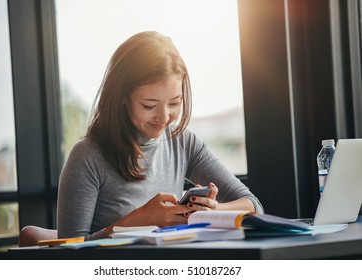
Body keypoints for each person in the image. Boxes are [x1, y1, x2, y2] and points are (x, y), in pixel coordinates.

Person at [57, 31, 264, 240]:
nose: (164, 117)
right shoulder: (87, 156)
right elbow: (68, 251)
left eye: (174, 103)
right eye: (149, 105)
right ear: (122, 97)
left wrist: (212, 210)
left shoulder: (182, 142)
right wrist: (133, 223)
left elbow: (253, 206)